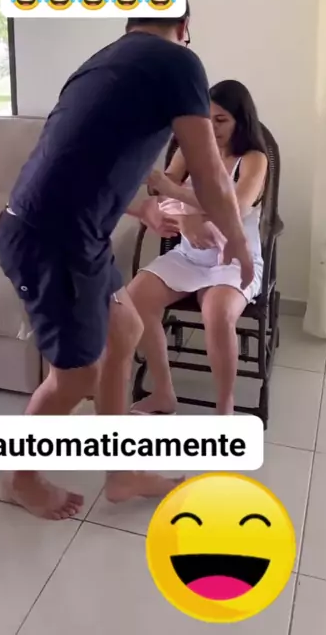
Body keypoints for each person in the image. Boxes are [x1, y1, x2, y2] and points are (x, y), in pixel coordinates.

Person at [0, 3, 254, 520]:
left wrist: (143, 207)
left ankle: (121, 473)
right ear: (184, 26)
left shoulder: (104, 61)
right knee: (75, 376)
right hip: (54, 239)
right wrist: (240, 243)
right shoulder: (178, 61)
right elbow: (208, 175)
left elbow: (83, 162)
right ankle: (20, 477)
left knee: (126, 328)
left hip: (75, 234)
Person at [129, 79, 268, 416]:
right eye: (206, 119)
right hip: (188, 256)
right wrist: (185, 219)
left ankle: (224, 409)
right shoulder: (190, 150)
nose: (211, 128)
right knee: (135, 298)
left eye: (221, 120)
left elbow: (235, 208)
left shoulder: (253, 159)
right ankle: (164, 393)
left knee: (217, 314)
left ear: (241, 120)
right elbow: (159, 197)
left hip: (234, 259)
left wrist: (177, 196)